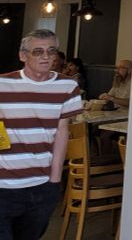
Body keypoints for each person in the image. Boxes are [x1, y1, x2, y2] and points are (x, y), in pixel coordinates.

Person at [0, 29, 82, 238]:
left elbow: (62, 132)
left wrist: (54, 181)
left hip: (41, 187)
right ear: (22, 55)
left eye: (51, 50)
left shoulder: (67, 86)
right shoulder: (2, 84)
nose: (46, 56)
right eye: (37, 51)